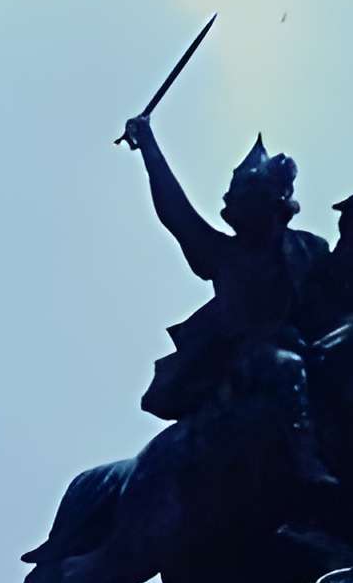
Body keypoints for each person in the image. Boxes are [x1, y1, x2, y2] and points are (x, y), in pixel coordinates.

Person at [121, 115, 338, 499]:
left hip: (308, 347)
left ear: (272, 204)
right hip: (243, 360)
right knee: (285, 367)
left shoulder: (311, 249)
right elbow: (176, 212)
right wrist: (149, 147)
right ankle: (305, 462)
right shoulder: (223, 254)